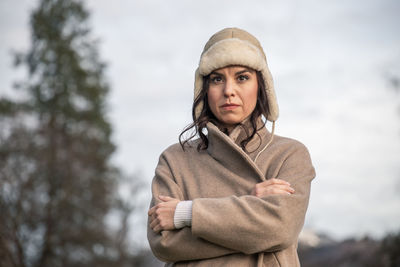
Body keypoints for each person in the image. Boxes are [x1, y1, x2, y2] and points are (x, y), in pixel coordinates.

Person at [147, 27, 316, 267]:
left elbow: (281, 229)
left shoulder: (290, 155)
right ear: (204, 89)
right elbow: (164, 243)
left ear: (262, 86)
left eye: (242, 77)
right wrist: (254, 206)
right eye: (217, 79)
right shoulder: (174, 159)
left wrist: (186, 214)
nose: (228, 91)